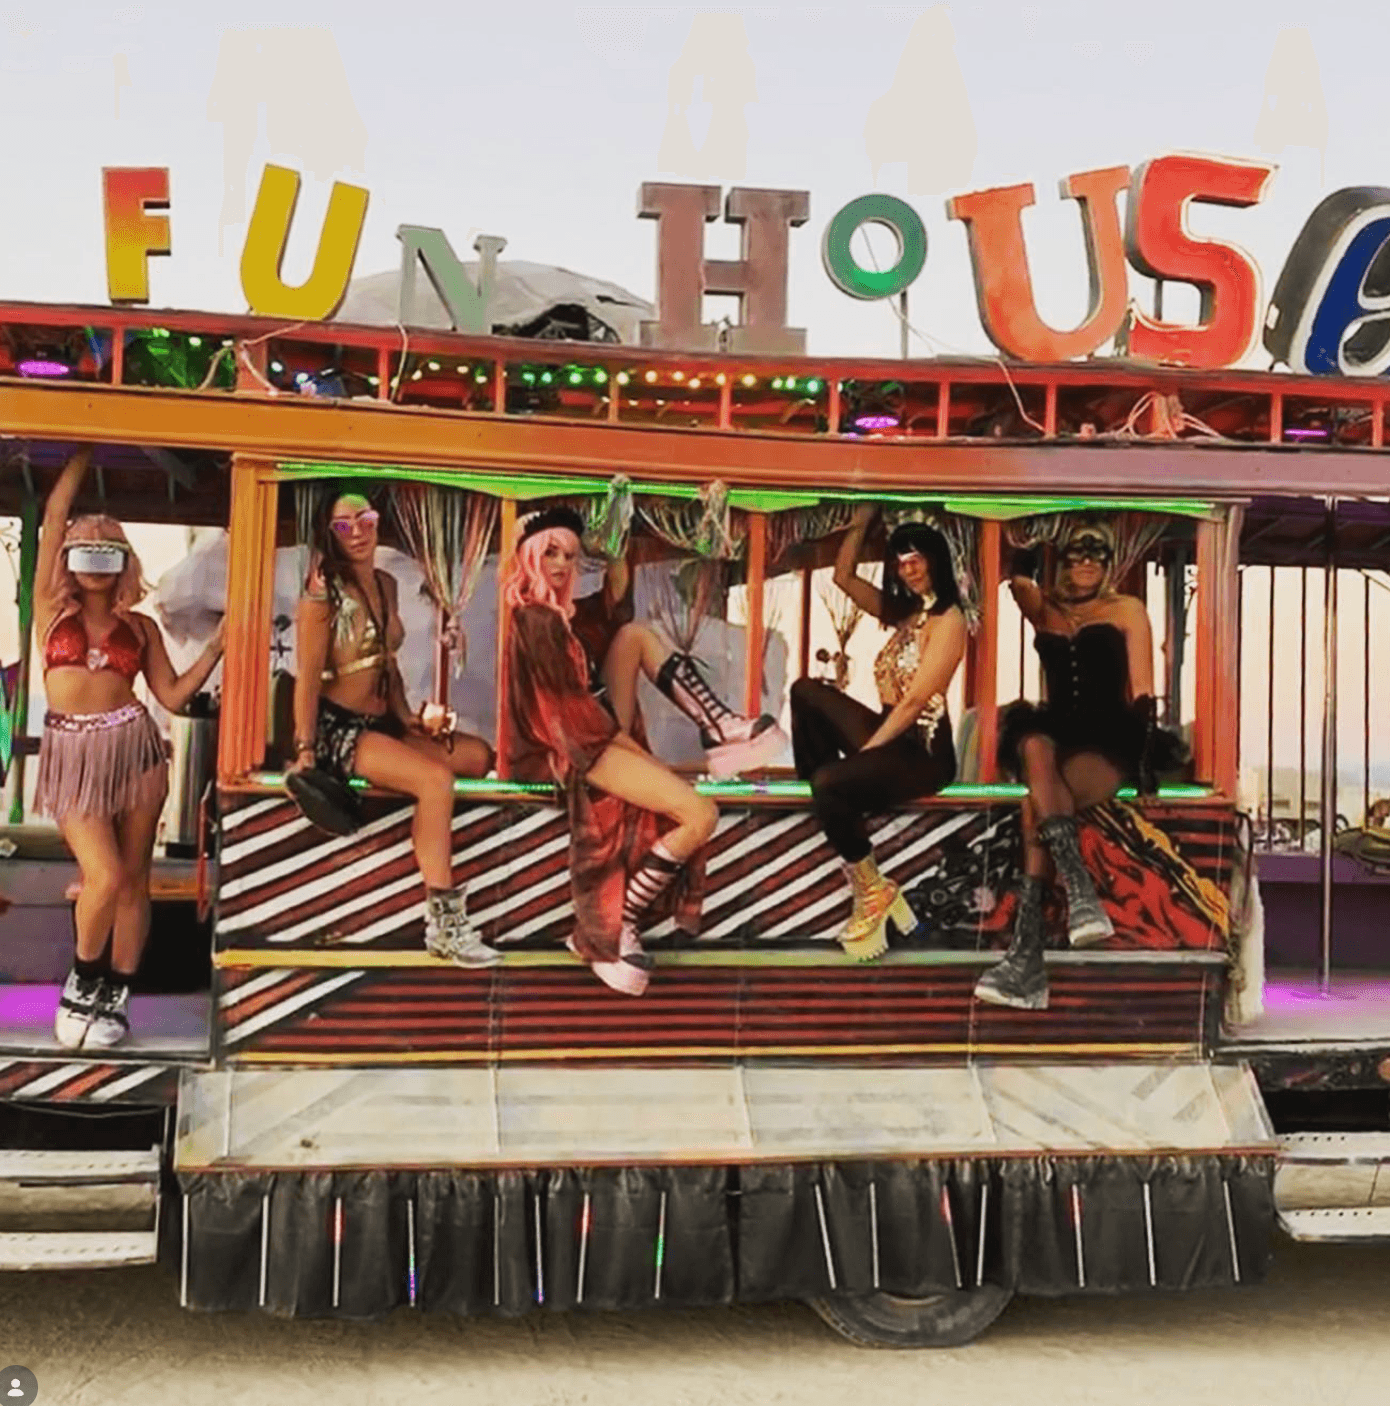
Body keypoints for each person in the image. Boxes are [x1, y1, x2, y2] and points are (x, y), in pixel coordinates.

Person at [34, 447, 226, 1049]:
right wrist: (84, 448)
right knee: (106, 874)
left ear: (123, 561)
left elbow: (169, 694)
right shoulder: (49, 608)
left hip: (137, 749)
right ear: (68, 558)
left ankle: (116, 993)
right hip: (71, 754)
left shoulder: (140, 626)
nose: (94, 561)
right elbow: (53, 515)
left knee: (134, 880)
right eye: (83, 550)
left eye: (107, 550)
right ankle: (83, 980)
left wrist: (217, 649)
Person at [502, 507, 719, 996]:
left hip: (593, 736)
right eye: (550, 553)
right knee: (699, 813)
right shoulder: (536, 621)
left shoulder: (567, 619)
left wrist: (615, 527)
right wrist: (637, 756)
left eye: (569, 556)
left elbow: (616, 600)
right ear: (530, 557)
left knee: (634, 635)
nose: (560, 564)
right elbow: (568, 722)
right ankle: (613, 923)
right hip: (572, 750)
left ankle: (722, 725)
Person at [974, 518, 1185, 1010]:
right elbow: (1013, 579)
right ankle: (1079, 894)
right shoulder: (1044, 610)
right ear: (1061, 560)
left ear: (1111, 564)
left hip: (1110, 734)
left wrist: (1147, 750)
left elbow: (1143, 688)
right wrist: (1027, 546)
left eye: (1097, 554)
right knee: (1031, 745)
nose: (1087, 562)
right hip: (1059, 736)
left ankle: (1028, 963)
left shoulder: (1127, 610)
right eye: (1076, 554)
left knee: (1035, 804)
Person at [287, 487, 498, 968]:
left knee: (477, 756)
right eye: (344, 526)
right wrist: (305, 750)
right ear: (330, 534)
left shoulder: (386, 584)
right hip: (339, 730)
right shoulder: (322, 595)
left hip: (383, 720)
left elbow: (389, 663)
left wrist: (407, 717)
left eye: (365, 518)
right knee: (435, 781)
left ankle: (438, 867)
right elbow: (306, 677)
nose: (357, 532)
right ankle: (444, 922)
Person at [790, 507, 967, 960]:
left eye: (915, 561)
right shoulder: (906, 613)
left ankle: (872, 889)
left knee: (831, 781)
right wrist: (862, 519)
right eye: (900, 562)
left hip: (923, 749)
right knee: (806, 691)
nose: (907, 570)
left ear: (935, 561)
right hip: (891, 728)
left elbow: (913, 703)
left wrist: (865, 755)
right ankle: (822, 794)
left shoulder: (950, 621)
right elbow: (843, 578)